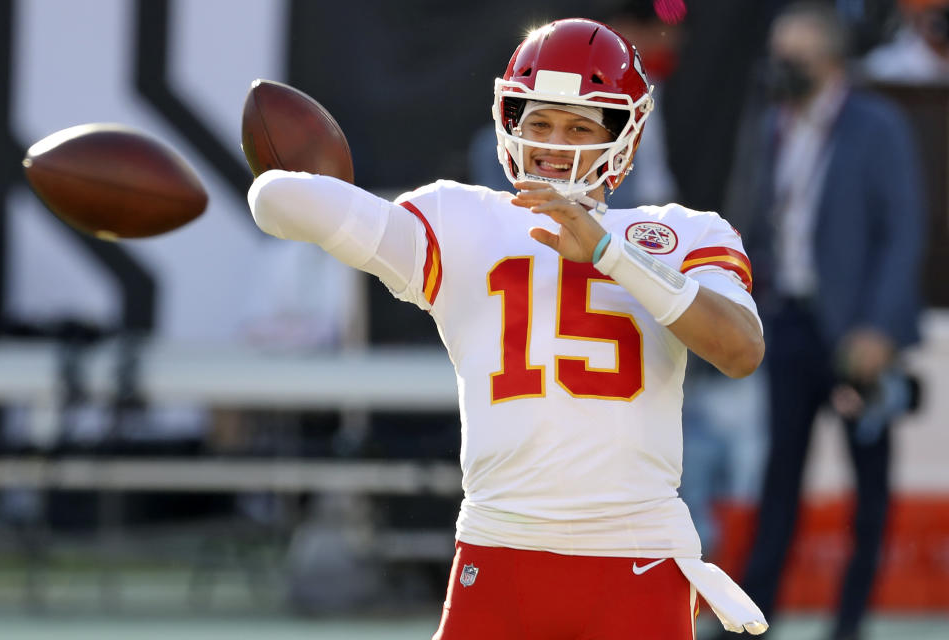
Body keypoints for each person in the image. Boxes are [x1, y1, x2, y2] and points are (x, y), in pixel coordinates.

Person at [248, 18, 767, 638]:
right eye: (539, 122)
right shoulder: (464, 218)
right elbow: (276, 201)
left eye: (579, 125)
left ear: (623, 134)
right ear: (509, 123)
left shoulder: (682, 232)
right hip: (499, 548)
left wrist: (611, 254)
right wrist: (294, 180)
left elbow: (740, 350)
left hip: (638, 551)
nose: (554, 143)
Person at [720, 4, 925, 640]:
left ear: (832, 59)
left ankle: (849, 624)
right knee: (778, 481)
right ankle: (756, 620)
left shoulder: (876, 125)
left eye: (797, 56)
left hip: (858, 334)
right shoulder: (770, 124)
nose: (782, 69)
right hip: (790, 324)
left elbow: (903, 232)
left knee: (869, 491)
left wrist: (879, 331)